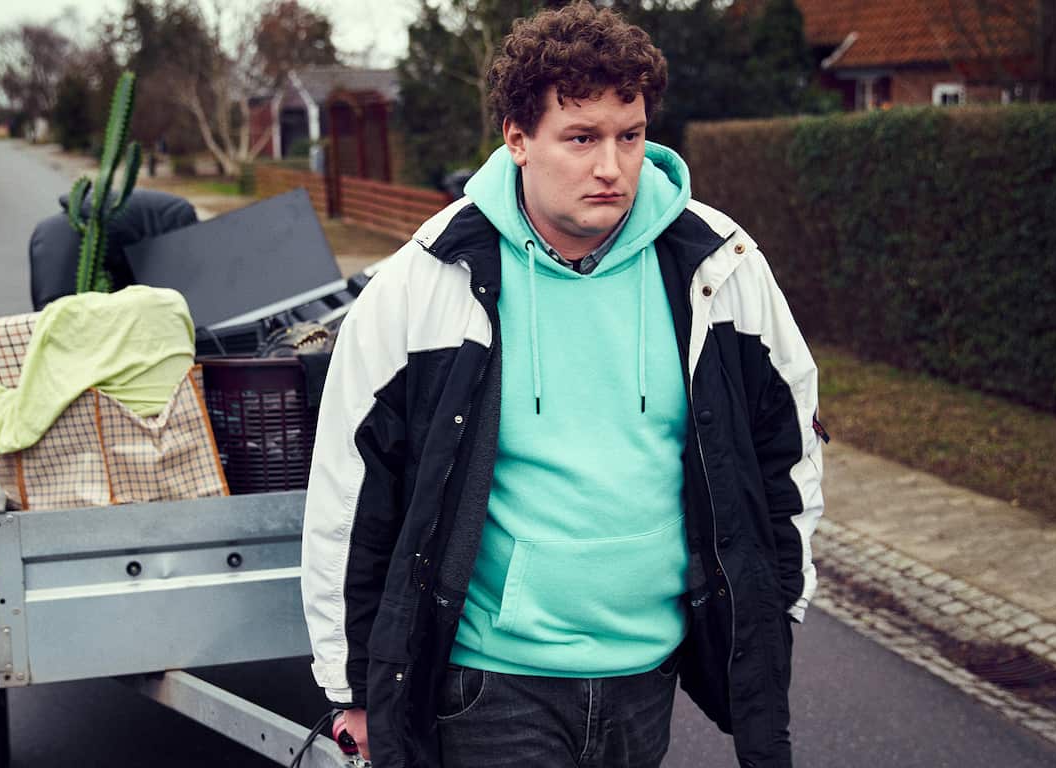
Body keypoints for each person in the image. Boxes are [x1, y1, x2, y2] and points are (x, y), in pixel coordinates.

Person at [301, 4, 826, 766]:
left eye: (630, 136)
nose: (611, 166)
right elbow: (351, 489)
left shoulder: (719, 268)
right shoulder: (430, 279)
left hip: (647, 674)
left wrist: (776, 607)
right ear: (517, 138)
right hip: (490, 684)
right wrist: (352, 684)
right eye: (581, 138)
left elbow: (789, 443)